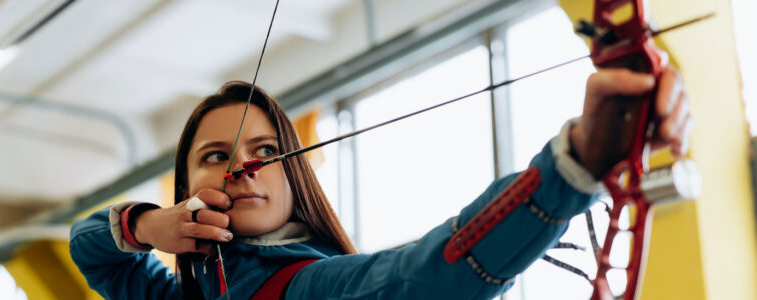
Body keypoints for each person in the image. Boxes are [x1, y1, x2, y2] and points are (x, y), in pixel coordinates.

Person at [69, 66, 692, 299]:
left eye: (266, 150)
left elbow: (421, 276)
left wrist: (577, 160)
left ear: (296, 181)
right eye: (215, 155)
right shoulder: (177, 296)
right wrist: (151, 223)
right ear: (186, 182)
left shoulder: (307, 289)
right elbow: (88, 247)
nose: (242, 167)